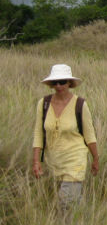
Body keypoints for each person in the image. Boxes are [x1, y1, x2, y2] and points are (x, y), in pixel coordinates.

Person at [32, 64, 99, 212]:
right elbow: (38, 133)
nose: (58, 85)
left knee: (65, 202)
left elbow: (89, 135)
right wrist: (36, 161)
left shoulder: (80, 104)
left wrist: (95, 159)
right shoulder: (43, 104)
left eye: (62, 81)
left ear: (69, 83)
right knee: (71, 202)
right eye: (55, 82)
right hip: (54, 162)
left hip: (75, 160)